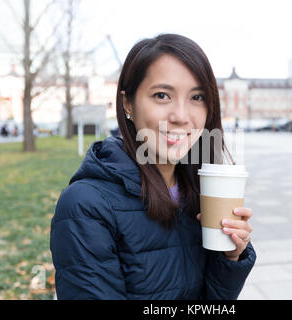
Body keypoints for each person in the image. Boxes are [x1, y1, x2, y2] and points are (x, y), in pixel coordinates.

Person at [50, 33, 256, 300]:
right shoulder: (85, 206)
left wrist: (230, 257)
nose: (181, 117)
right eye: (162, 95)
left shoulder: (196, 191)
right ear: (127, 104)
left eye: (197, 97)